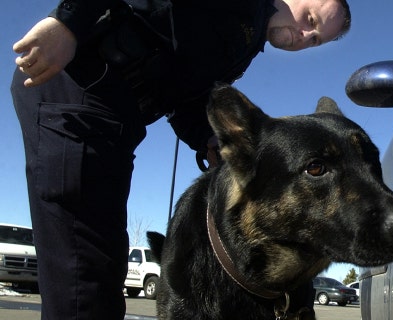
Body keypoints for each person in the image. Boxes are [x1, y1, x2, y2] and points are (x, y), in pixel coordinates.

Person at [10, 0, 351, 319]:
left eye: (316, 40)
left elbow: (183, 94)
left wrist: (209, 138)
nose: (305, 37)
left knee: (104, 260)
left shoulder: (246, 44)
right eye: (310, 20)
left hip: (116, 122)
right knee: (82, 265)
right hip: (77, 84)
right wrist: (68, 22)